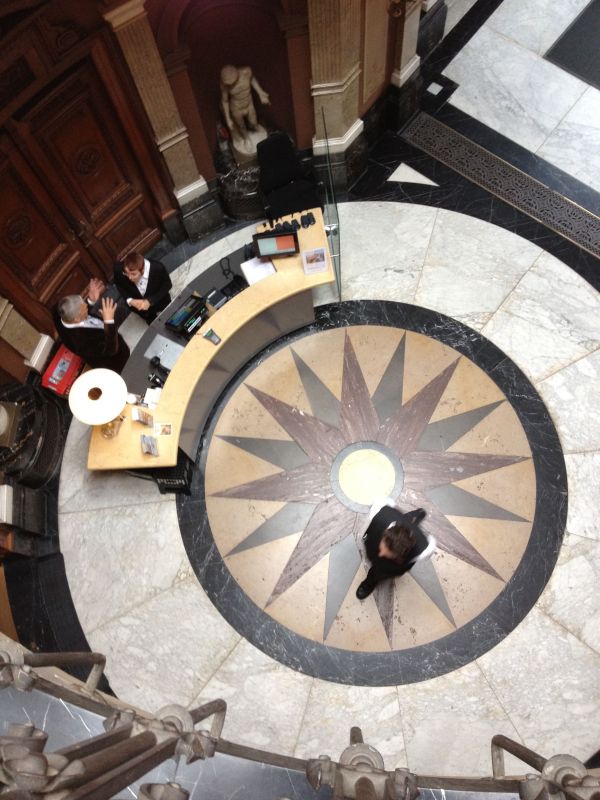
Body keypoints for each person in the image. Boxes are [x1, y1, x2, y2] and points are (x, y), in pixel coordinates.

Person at [356, 498, 436, 600]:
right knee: (406, 520)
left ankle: (370, 582)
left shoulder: (422, 549)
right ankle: (416, 516)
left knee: (379, 572)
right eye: (383, 547)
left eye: (388, 554)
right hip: (398, 523)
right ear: (386, 533)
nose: (380, 554)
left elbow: (427, 549)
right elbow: (386, 503)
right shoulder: (382, 514)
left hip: (389, 568)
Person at [56, 283, 130, 374]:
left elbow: (79, 310)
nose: (86, 306)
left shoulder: (60, 310)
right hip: (116, 362)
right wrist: (109, 321)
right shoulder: (81, 342)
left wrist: (91, 301)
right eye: (84, 309)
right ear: (76, 319)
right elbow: (111, 350)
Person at [113, 252, 172, 324]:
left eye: (133, 274)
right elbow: (119, 286)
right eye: (126, 273)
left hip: (160, 302)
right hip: (144, 312)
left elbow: (168, 285)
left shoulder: (157, 268)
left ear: (142, 270)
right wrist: (130, 300)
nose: (130, 277)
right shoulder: (119, 270)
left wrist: (150, 301)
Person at [220, 64, 270, 146]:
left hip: (248, 104)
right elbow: (225, 101)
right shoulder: (225, 85)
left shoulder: (246, 72)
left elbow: (252, 80)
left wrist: (260, 93)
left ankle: (253, 128)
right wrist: (228, 118)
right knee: (241, 126)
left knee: (253, 122)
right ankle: (246, 138)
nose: (230, 84)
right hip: (236, 107)